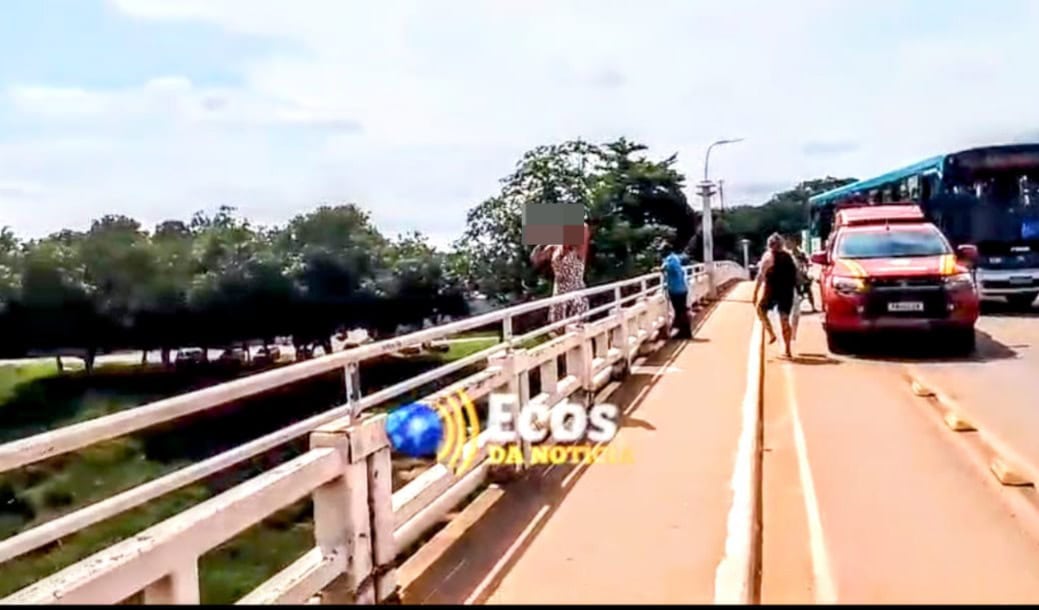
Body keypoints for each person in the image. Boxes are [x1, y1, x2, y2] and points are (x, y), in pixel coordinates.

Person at [531, 222, 590, 327]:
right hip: (559, 292)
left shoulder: (578, 247)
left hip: (575, 290)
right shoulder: (554, 247)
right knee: (559, 330)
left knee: (576, 330)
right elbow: (536, 259)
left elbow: (584, 227)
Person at [753, 233, 798, 357]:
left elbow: (760, 276)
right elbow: (795, 274)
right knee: (784, 319)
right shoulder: (789, 257)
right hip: (787, 291)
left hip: (772, 291)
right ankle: (787, 350)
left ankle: (771, 333)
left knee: (760, 310)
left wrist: (755, 293)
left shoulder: (768, 257)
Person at [660, 244, 692, 339]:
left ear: (666, 251)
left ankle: (685, 333)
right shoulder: (676, 258)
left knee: (680, 311)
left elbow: (665, 268)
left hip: (676, 289)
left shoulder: (670, 260)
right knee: (681, 311)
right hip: (682, 288)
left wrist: (660, 269)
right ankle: (684, 331)